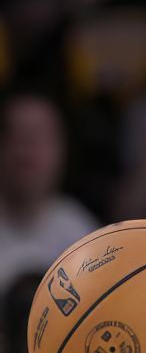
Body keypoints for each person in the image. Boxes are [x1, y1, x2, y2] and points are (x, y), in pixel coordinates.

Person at [0, 93, 99, 294]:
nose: (26, 146)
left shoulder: (82, 234)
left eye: (39, 135)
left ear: (61, 150)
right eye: (14, 134)